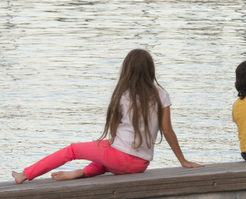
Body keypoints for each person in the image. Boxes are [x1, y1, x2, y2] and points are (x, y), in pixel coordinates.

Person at [12, 49, 203, 184]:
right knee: (106, 156)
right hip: (139, 165)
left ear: (127, 70)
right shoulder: (161, 95)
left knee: (72, 150)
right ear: (150, 70)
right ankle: (81, 172)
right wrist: (183, 161)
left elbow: (116, 126)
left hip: (120, 159)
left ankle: (25, 174)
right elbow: (167, 130)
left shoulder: (123, 94)